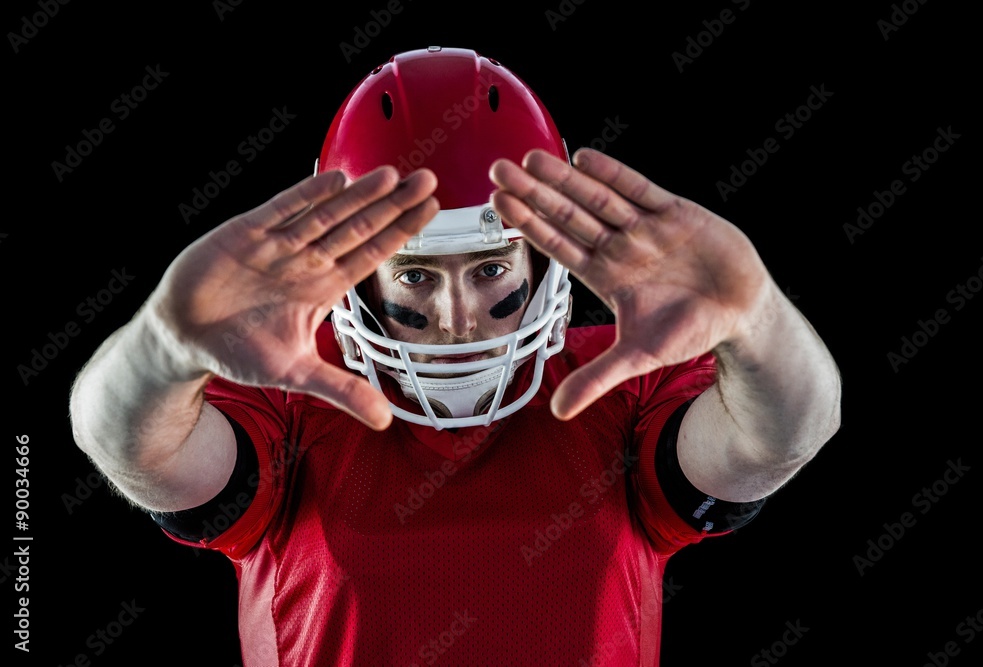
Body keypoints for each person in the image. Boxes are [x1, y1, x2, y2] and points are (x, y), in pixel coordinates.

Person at [69, 46, 842, 666]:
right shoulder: (293, 392)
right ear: (353, 271)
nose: (459, 315)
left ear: (542, 256)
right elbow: (134, 447)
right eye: (413, 274)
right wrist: (162, 344)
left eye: (489, 267)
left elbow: (780, 439)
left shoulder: (622, 376)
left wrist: (757, 317)